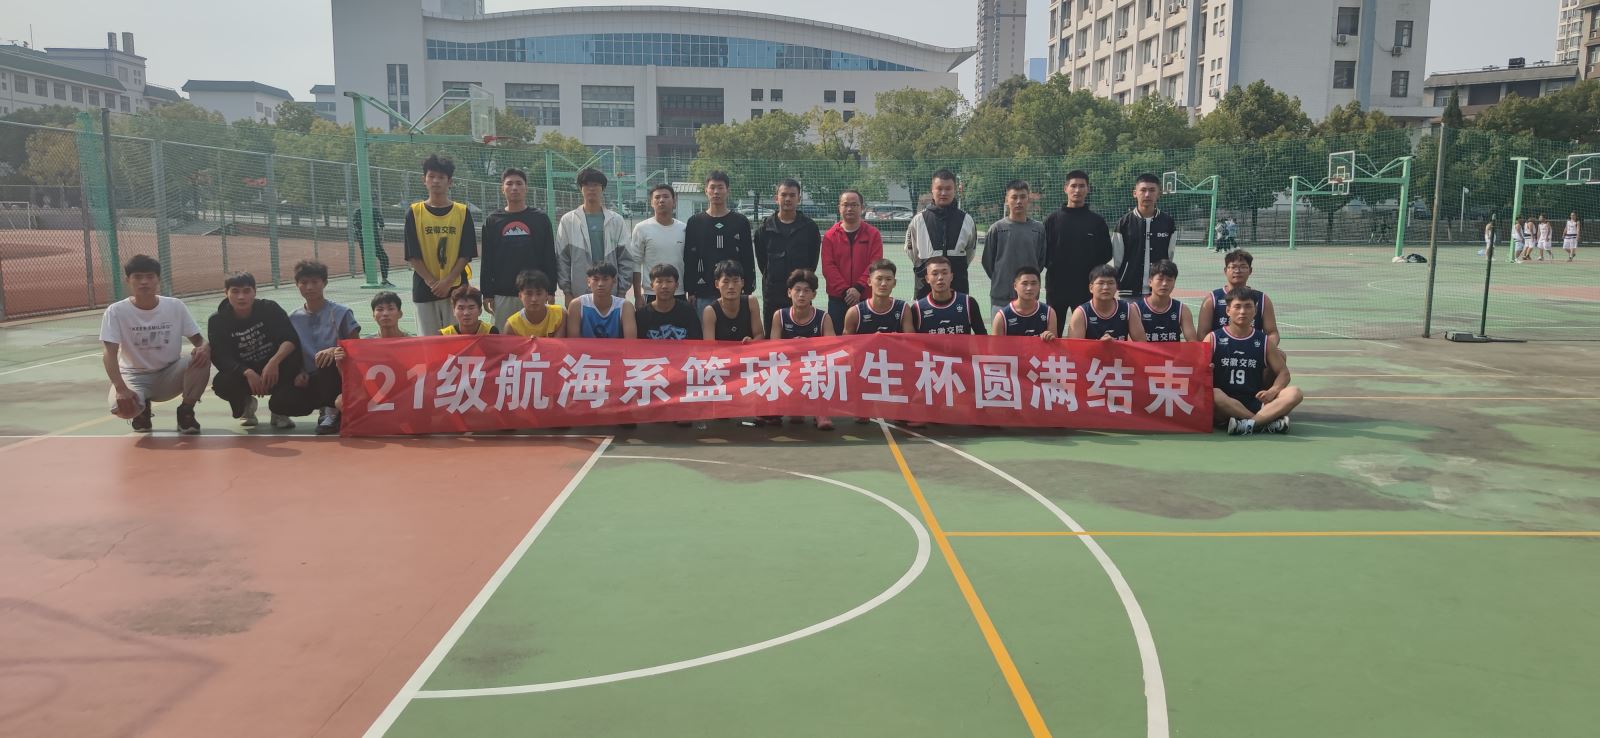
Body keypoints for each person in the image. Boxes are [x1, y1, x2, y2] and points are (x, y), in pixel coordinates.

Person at [100, 254, 211, 434]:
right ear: (128, 280)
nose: (144, 282)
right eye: (138, 277)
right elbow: (109, 353)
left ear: (158, 279)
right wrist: (120, 388)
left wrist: (204, 347)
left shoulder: (175, 306)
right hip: (134, 377)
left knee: (202, 357)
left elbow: (199, 340)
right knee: (121, 408)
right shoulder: (116, 311)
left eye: (150, 276)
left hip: (170, 374)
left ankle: (186, 412)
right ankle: (141, 410)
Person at [207, 271, 302, 430]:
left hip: (274, 370)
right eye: (235, 291)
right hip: (245, 374)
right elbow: (221, 357)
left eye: (246, 291)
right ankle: (247, 404)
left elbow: (290, 339)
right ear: (226, 293)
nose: (241, 297)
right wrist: (247, 372)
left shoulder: (269, 309)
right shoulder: (217, 320)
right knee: (222, 383)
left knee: (293, 365)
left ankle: (279, 409)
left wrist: (273, 362)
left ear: (254, 292)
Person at [1206, 287, 1302, 435]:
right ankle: (1263, 422)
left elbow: (1283, 373)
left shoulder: (1263, 341)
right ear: (1228, 310)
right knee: (1214, 393)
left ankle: (1248, 424)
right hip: (1225, 404)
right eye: (1237, 307)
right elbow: (1198, 371)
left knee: (1295, 393)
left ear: (1255, 311)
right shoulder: (1213, 338)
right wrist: (1207, 369)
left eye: (1248, 306)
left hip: (1255, 400)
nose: (1242, 311)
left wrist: (1272, 391)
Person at [403, 154, 476, 337]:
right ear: (424, 180)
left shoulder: (462, 212)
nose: (436, 181)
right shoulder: (414, 212)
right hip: (425, 288)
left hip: (456, 289)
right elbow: (413, 255)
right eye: (431, 176)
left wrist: (448, 281)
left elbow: (466, 253)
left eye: (441, 177)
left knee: (457, 342)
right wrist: (433, 282)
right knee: (428, 343)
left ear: (450, 182)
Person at [285, 260, 361, 434]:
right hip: (309, 378)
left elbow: (357, 347)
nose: (309, 287)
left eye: (315, 282)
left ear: (324, 283)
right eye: (304, 282)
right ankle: (322, 407)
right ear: (297, 285)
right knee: (282, 403)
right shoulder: (293, 318)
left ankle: (332, 411)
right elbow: (292, 351)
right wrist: (299, 371)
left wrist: (335, 350)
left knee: (326, 360)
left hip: (336, 374)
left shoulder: (341, 312)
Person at [480, 168, 556, 332]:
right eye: (509, 184)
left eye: (519, 183)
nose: (514, 188)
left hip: (534, 293)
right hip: (503, 293)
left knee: (536, 341)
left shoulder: (540, 218)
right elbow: (487, 259)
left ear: (526, 188)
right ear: (502, 189)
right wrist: (487, 293)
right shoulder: (493, 220)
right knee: (504, 341)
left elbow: (549, 256)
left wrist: (550, 290)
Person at [769, 269, 835, 430]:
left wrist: (809, 346)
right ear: (789, 292)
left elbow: (833, 348)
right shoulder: (780, 315)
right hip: (789, 366)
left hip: (814, 367)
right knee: (796, 418)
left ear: (814, 294)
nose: (801, 295)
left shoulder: (823, 317)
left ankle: (821, 411)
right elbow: (773, 347)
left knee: (827, 367)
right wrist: (793, 346)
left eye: (806, 291)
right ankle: (786, 407)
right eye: (797, 290)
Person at [556, 168, 633, 306]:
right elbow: (562, 259)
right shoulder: (568, 220)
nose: (591, 189)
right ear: (580, 188)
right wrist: (567, 292)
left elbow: (625, 258)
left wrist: (621, 291)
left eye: (596, 185)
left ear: (602, 188)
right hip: (578, 292)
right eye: (587, 185)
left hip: (611, 292)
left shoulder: (616, 220)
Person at [1043, 170, 1114, 318]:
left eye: (1082, 186)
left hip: (1086, 287)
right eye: (1073, 186)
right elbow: (1043, 252)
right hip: (1057, 286)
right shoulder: (1052, 220)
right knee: (1053, 329)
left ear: (1088, 189)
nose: (1077, 190)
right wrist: (1056, 267)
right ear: (1065, 188)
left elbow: (1106, 253)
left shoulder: (1097, 221)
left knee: (1086, 328)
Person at [684, 171, 755, 318]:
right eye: (712, 187)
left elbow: (748, 257)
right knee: (706, 330)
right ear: (706, 191)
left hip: (734, 290)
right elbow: (690, 258)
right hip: (703, 291)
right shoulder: (695, 222)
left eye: (720, 187)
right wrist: (690, 290)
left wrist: (747, 289)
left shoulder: (740, 221)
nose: (716, 192)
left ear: (728, 191)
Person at [755, 178, 822, 324]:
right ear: (776, 198)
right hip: (773, 295)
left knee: (802, 334)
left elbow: (813, 261)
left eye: (792, 195)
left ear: (798, 198)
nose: (788, 199)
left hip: (801, 294)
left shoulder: (810, 228)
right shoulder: (764, 229)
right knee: (773, 335)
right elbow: (763, 263)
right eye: (784, 195)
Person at [981, 179, 1049, 319]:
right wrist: (1001, 279)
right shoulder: (997, 229)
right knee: (1000, 334)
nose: (1019, 201)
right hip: (1001, 298)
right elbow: (988, 262)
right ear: (1007, 200)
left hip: (1030, 299)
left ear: (1028, 199)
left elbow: (1040, 262)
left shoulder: (1038, 229)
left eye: (1023, 197)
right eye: (1014, 197)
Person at [905, 169, 977, 300]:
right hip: (924, 288)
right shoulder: (918, 220)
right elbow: (912, 252)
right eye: (939, 188)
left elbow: (970, 252)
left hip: (958, 285)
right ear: (932, 190)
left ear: (955, 190)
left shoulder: (967, 220)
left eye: (948, 189)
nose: (943, 193)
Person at [821, 189, 883, 334]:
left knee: (866, 341)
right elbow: (828, 267)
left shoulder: (873, 234)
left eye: (854, 205)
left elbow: (875, 264)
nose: (849, 208)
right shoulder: (830, 236)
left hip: (866, 297)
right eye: (845, 205)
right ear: (839, 207)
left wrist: (858, 288)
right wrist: (845, 292)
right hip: (838, 299)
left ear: (862, 208)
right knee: (838, 341)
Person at [1113, 173, 1177, 299]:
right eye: (1143, 190)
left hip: (1157, 291)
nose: (1147, 194)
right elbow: (1118, 259)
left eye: (1152, 190)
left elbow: (1169, 256)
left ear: (1159, 193)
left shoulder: (1168, 222)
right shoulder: (1124, 223)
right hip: (1129, 289)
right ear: (1135, 193)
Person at [1196, 250, 1279, 340]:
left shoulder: (1262, 299)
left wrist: (1268, 346)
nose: (1237, 271)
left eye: (1243, 267)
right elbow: (1202, 333)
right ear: (1225, 270)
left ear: (1250, 270)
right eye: (1233, 267)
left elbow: (1272, 332)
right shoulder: (1212, 299)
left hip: (1253, 347)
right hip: (1220, 348)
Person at [629, 183, 687, 308]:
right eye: (657, 197)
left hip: (679, 291)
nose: (661, 200)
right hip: (651, 292)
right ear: (651, 202)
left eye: (666, 196)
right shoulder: (641, 228)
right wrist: (638, 296)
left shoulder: (684, 228)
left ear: (674, 202)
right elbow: (635, 263)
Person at [904, 256, 987, 335]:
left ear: (951, 276)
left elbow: (982, 336)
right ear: (927, 279)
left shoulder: (968, 303)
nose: (940, 277)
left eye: (944, 273)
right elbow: (911, 341)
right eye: (935, 274)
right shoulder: (918, 309)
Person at [1068, 265, 1146, 341]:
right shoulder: (1081, 313)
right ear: (1091, 288)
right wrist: (1100, 345)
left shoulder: (1128, 309)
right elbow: (1074, 347)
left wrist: (1114, 345)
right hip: (1093, 350)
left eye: (1110, 283)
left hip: (1119, 350)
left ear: (1117, 287)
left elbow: (1141, 344)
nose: (1106, 287)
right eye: (1101, 283)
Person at [566, 262, 636, 339]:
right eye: (595, 279)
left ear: (614, 281)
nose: (600, 284)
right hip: (584, 347)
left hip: (616, 347)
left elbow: (630, 342)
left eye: (605, 279)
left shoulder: (625, 306)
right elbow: (573, 342)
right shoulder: (577, 305)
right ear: (588, 282)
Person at [635, 264, 702, 340]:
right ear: (652, 286)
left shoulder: (688, 311)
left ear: (676, 285)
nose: (664, 286)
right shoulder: (642, 315)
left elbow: (696, 341)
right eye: (659, 282)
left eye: (669, 281)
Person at [702, 260, 763, 343]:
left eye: (735, 281)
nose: (731, 286)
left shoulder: (751, 302)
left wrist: (752, 342)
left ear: (742, 283)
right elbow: (709, 345)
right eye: (726, 282)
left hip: (747, 350)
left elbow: (759, 335)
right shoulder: (710, 311)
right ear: (717, 284)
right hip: (721, 351)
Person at [843, 259, 908, 335]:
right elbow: (847, 341)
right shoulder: (855, 312)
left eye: (888, 279)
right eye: (879, 279)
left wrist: (894, 339)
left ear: (894, 283)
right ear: (869, 282)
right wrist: (873, 339)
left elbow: (911, 340)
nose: (883, 284)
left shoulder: (903, 309)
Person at [990, 266, 1058, 340]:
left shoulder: (1049, 313)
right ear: (1015, 286)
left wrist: (1049, 337)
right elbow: (996, 346)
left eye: (1033, 283)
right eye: (1024, 283)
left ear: (1039, 286)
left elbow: (1054, 345)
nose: (1029, 288)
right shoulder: (1002, 317)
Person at [1138, 259, 1197, 343]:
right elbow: (1133, 343)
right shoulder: (1136, 309)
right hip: (1145, 352)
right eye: (1160, 279)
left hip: (1174, 352)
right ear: (1150, 282)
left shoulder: (1182, 310)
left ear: (1174, 282)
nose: (1164, 283)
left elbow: (1193, 342)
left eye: (1169, 280)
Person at [502, 270, 566, 338]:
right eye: (529, 294)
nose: (534, 299)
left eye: (539, 294)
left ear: (546, 295)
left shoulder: (560, 315)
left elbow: (559, 344)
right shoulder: (511, 326)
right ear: (520, 296)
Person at [351, 201, 393, 286]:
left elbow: (381, 224)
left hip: (373, 241)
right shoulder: (358, 212)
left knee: (383, 258)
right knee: (369, 259)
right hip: (366, 241)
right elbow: (356, 226)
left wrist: (380, 236)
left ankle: (383, 279)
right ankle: (370, 279)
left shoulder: (373, 211)